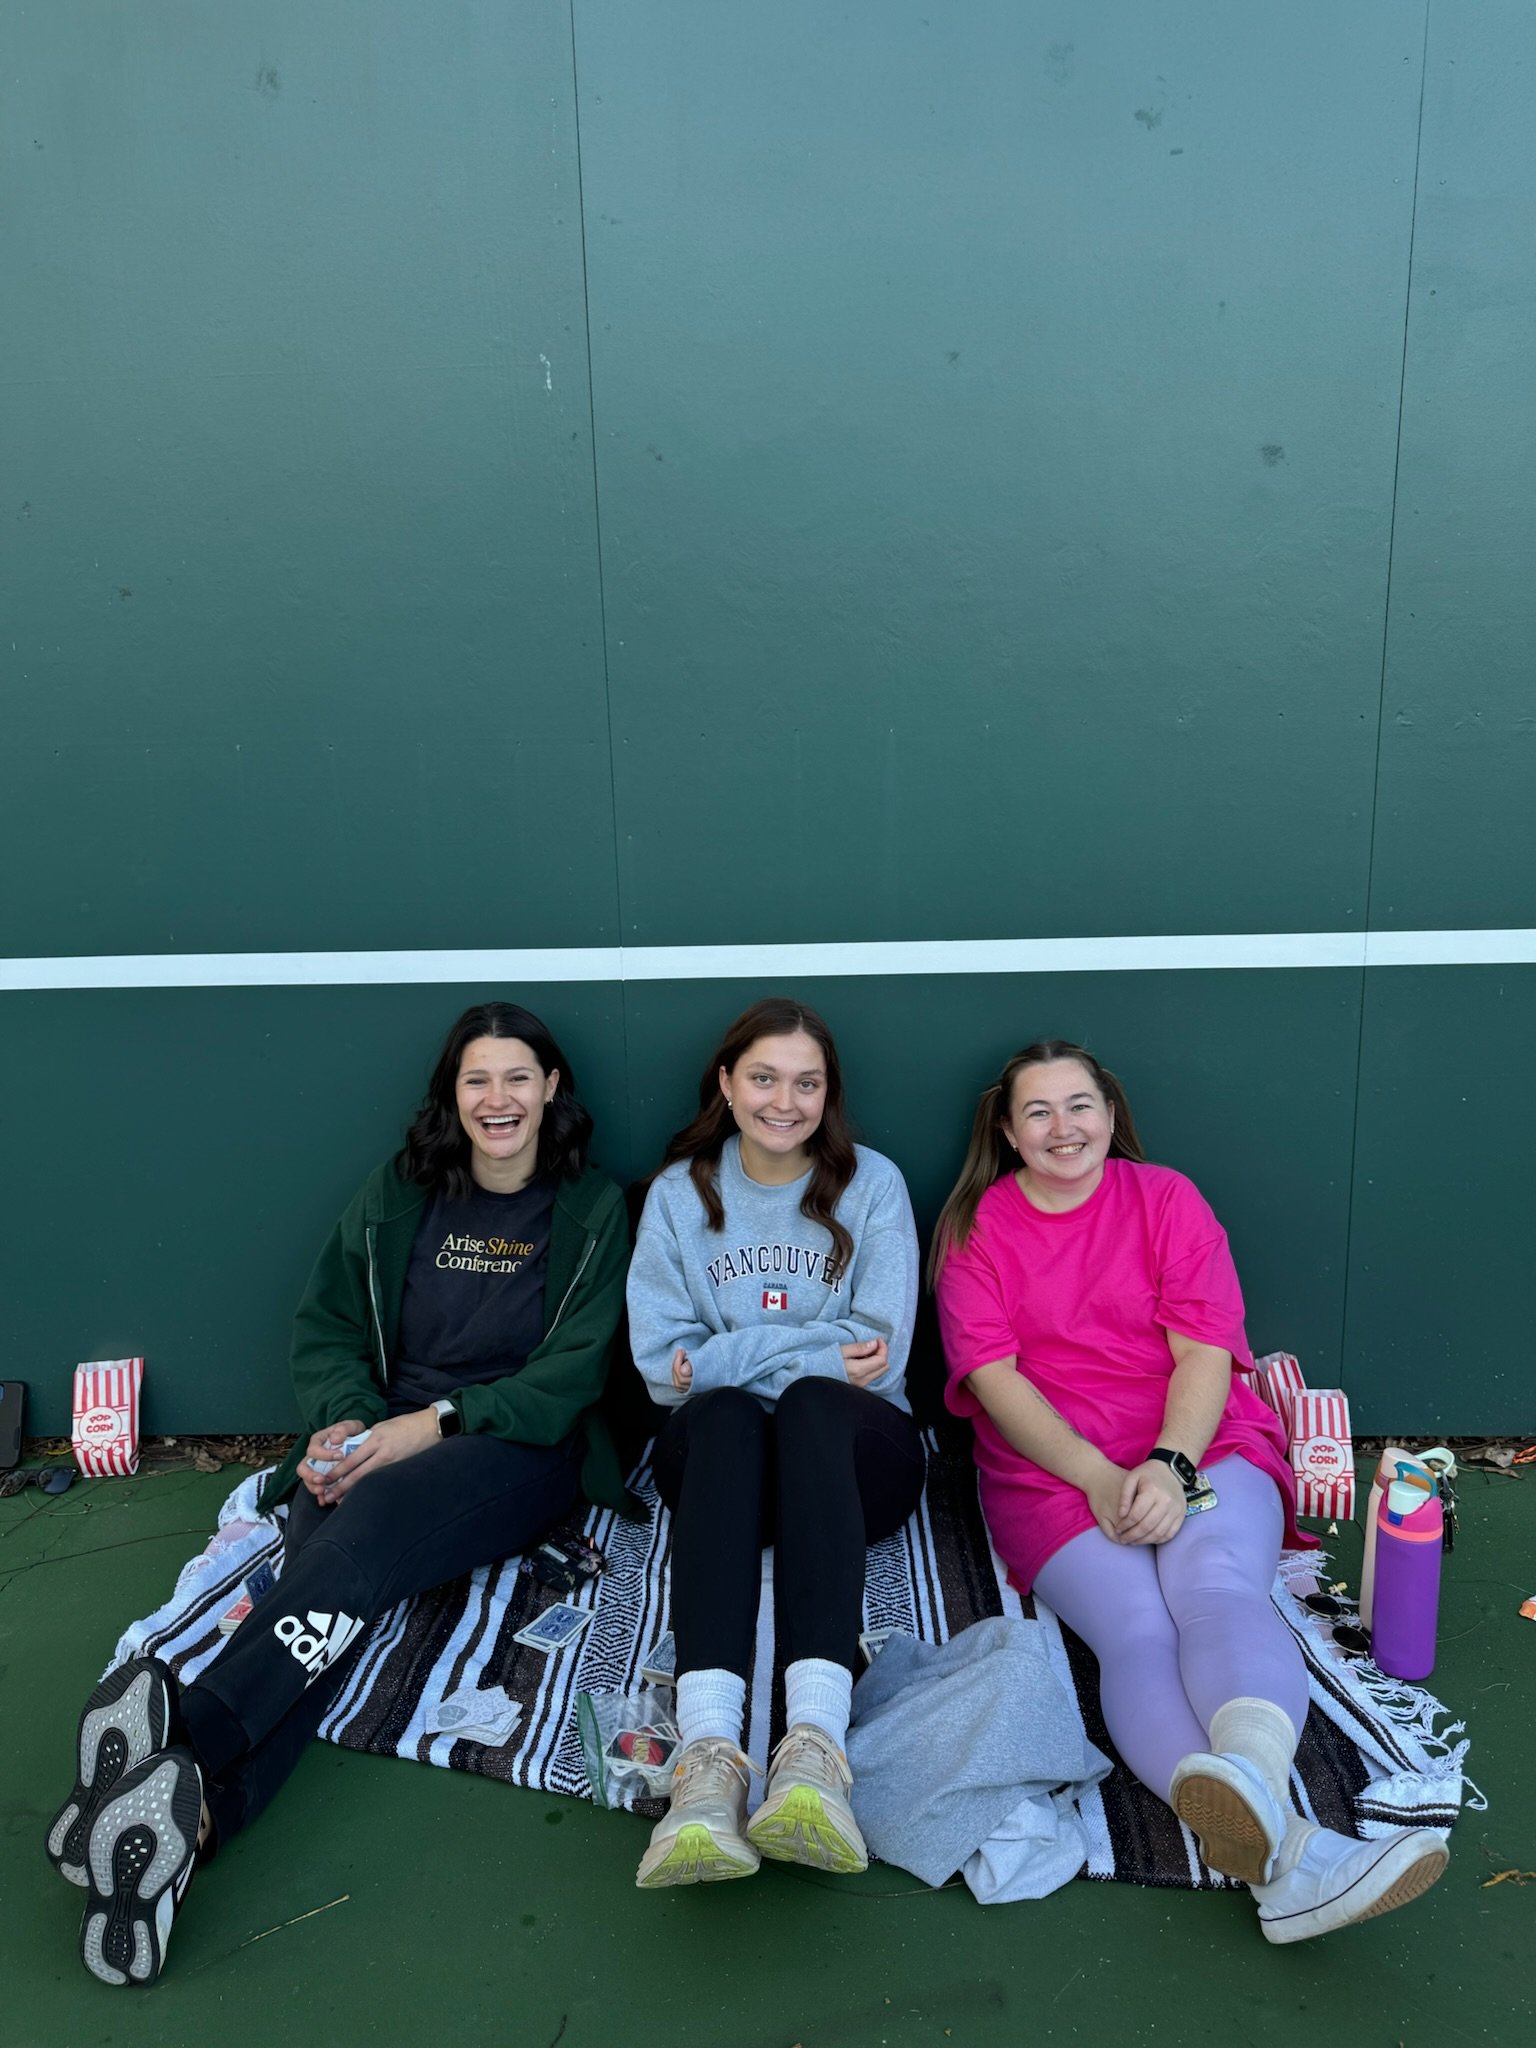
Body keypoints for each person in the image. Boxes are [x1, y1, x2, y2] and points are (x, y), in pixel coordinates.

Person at [47, 1001, 632, 1986]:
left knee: (355, 1551)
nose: (499, 1099)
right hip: (376, 1434)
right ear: (453, 1094)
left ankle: (186, 1725)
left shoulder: (591, 1208)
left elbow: (569, 1378)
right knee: (329, 1593)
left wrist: (420, 1428)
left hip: (507, 1447)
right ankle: (187, 1817)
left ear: (552, 1091)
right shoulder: (400, 1192)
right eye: (478, 1079)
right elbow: (325, 1329)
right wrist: (344, 1419)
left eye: (518, 1078)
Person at [932, 1039, 1448, 1945]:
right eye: (1040, 1112)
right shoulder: (977, 1231)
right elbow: (1000, 1383)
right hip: (1053, 1472)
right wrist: (1098, 1480)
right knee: (1139, 1628)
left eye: (1080, 1105)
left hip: (1199, 1440)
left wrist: (1171, 1465)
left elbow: (1206, 1347)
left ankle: (1247, 1773)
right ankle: (1292, 1856)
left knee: (1212, 1586)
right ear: (1009, 1133)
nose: (1065, 1128)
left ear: (1110, 1113)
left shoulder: (1165, 1197)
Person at [627, 998, 925, 1887]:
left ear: (829, 1093)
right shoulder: (682, 1194)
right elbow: (656, 1367)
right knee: (724, 1417)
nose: (783, 1102)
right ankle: (709, 1762)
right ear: (726, 1083)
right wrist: (811, 1351)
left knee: (806, 1408)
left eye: (806, 1082)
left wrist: (718, 1359)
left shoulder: (872, 1183)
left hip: (853, 1463)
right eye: (763, 1078)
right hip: (725, 1468)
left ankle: (814, 1754)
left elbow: (880, 1352)